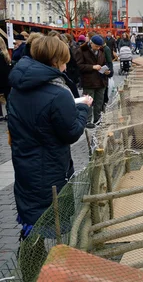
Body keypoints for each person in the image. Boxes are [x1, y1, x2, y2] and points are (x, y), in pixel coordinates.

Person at [7, 36, 92, 237]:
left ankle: (30, 255)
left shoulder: (18, 88)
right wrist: (82, 109)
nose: (65, 66)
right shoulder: (57, 93)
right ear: (55, 61)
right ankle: (44, 261)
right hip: (50, 166)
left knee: (31, 214)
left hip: (24, 160)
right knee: (50, 218)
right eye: (64, 61)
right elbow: (71, 132)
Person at [75, 34, 109, 128]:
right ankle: (87, 120)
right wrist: (92, 67)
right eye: (96, 46)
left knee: (99, 102)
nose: (98, 48)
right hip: (88, 81)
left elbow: (104, 62)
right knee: (88, 101)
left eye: (99, 46)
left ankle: (97, 119)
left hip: (100, 80)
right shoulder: (81, 50)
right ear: (91, 43)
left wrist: (106, 70)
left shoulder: (101, 50)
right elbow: (79, 66)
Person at [0, 38, 12, 121]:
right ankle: (10, 113)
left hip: (1, 79)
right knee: (8, 98)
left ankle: (1, 115)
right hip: (7, 80)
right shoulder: (5, 54)